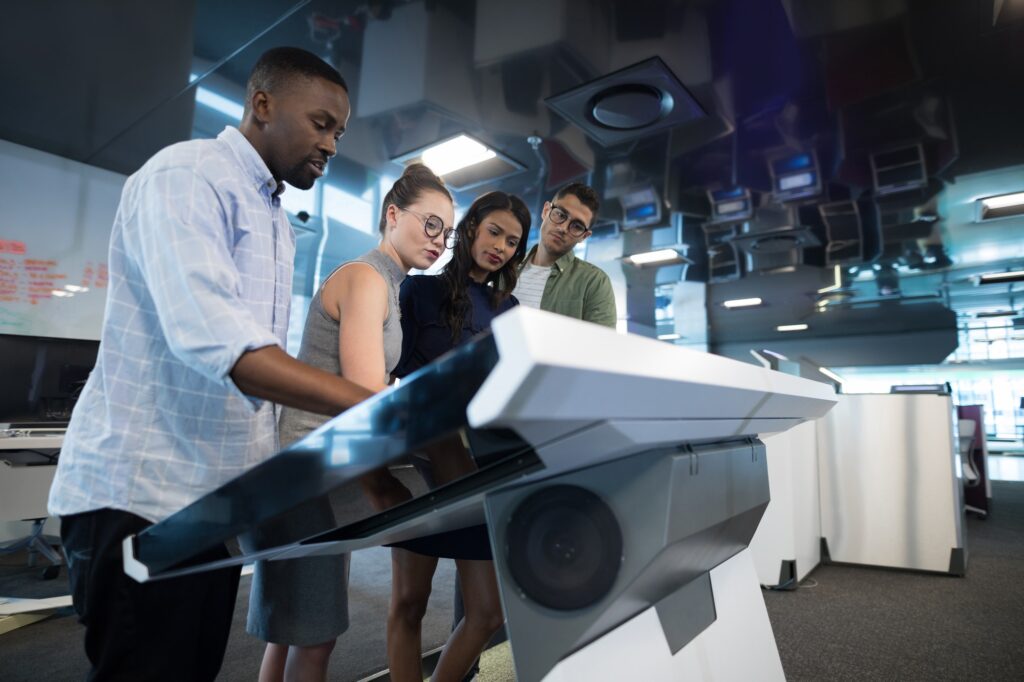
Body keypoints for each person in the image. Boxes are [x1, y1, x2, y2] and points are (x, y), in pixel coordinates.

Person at [46, 47, 373, 681]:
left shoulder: (274, 215)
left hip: (209, 507)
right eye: (322, 123)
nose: (332, 144)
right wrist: (373, 405)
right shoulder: (188, 178)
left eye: (340, 132)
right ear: (262, 104)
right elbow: (223, 345)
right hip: (140, 501)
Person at [248, 163, 454, 682]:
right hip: (304, 478)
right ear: (392, 215)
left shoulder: (389, 283)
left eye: (447, 232)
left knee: (292, 628)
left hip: (314, 475)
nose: (439, 240)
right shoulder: (366, 278)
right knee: (315, 639)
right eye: (431, 223)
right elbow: (365, 396)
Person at [388, 191, 530, 682]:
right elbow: (396, 377)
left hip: (478, 468)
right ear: (469, 229)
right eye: (494, 231)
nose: (501, 247)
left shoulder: (509, 310)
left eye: (513, 241)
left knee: (487, 612)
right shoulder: (417, 290)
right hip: (422, 459)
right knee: (410, 603)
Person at [512, 182, 616, 328]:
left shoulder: (594, 282)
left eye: (577, 226)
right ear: (546, 210)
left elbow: (602, 347)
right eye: (560, 214)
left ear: (584, 236)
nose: (562, 228)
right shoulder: (506, 268)